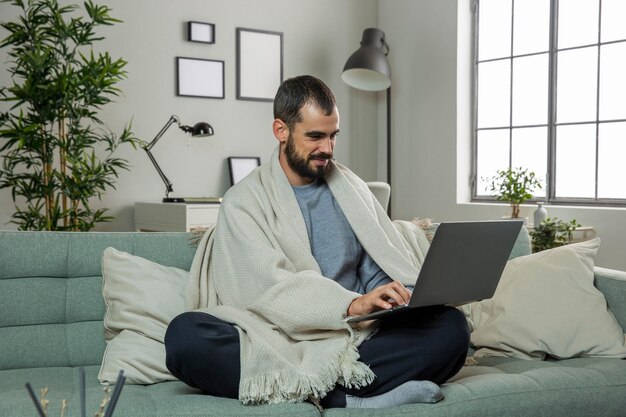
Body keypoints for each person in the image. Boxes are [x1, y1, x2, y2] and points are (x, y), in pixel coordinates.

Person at [164, 75, 470, 409]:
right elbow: (265, 290)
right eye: (315, 136)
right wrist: (352, 305)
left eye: (332, 135)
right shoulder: (243, 201)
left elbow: (374, 268)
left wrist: (393, 297)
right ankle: (351, 398)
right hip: (277, 338)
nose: (327, 148)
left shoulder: (351, 189)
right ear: (281, 131)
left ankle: (326, 390)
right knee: (185, 337)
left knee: (451, 328)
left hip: (358, 334)